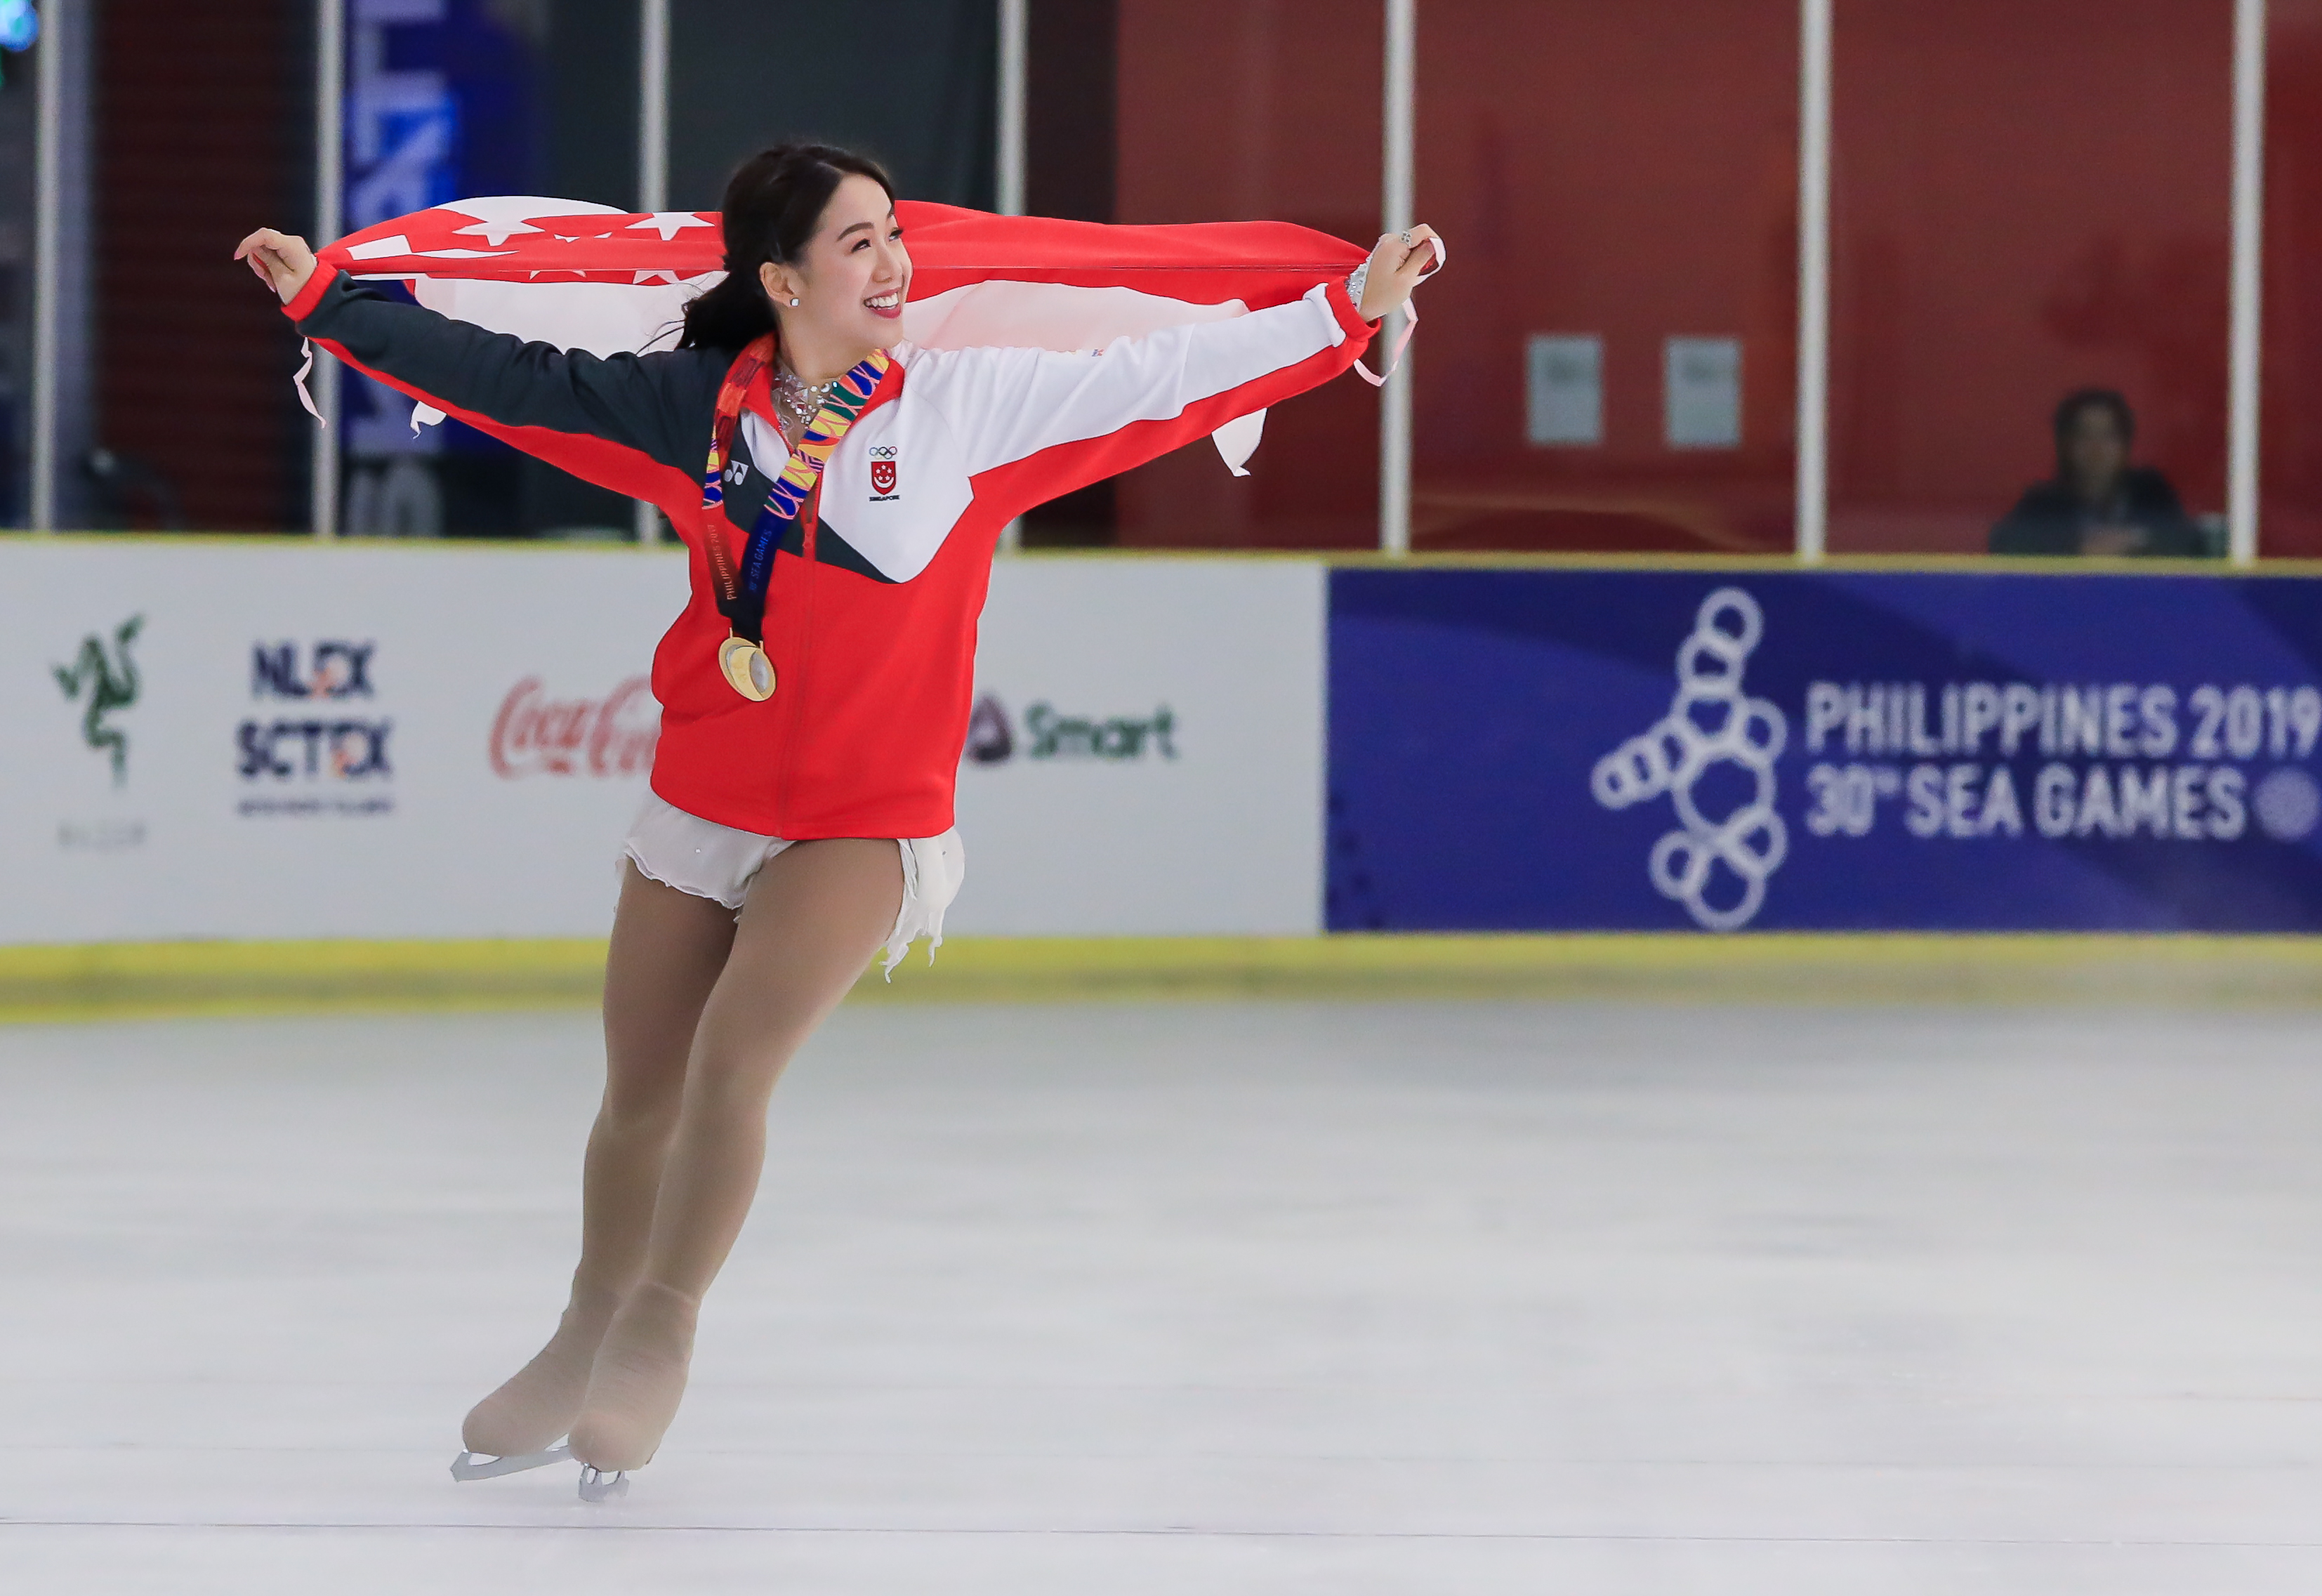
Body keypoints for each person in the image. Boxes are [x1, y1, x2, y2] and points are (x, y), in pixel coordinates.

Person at [235, 142, 1441, 1498]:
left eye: (891, 236)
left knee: (728, 1067)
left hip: (866, 819)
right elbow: (508, 383)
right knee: (635, 1091)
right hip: (702, 794)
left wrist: (1341, 312)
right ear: (780, 277)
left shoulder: (966, 410)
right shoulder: (689, 406)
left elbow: (1160, 380)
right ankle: (583, 1321)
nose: (893, 262)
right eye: (858, 241)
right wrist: (331, 306)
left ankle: (657, 1324)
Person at [1988, 388, 2206, 558]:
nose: (2097, 449)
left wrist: (2134, 542)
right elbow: (2006, 546)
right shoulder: (2043, 503)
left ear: (2125, 445)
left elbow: (2191, 544)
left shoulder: (2151, 493)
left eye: (2108, 436)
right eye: (2085, 436)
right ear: (2066, 446)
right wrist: (2077, 548)